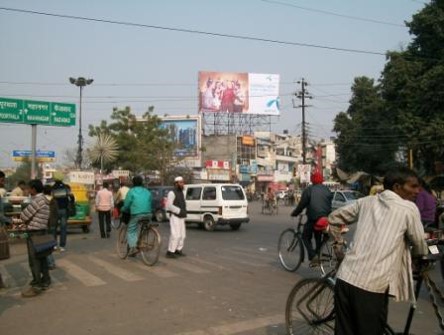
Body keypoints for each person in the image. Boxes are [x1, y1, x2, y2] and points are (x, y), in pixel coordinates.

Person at [328, 166, 428, 335]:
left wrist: (339, 246)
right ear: (397, 187)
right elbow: (419, 243)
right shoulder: (408, 209)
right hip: (371, 286)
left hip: (345, 278)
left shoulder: (366, 201)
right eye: (413, 186)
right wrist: (421, 255)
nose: (417, 191)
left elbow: (333, 218)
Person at [290, 171, 332, 263]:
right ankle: (317, 253)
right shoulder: (327, 190)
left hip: (314, 218)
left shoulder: (309, 190)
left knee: (305, 236)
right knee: (318, 235)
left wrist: (295, 213)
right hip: (326, 218)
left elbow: (302, 205)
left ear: (312, 180)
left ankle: (313, 255)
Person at [19, 179, 50, 297]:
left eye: (29, 188)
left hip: (34, 232)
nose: (27, 190)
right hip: (42, 231)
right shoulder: (44, 199)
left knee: (34, 260)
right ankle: (45, 280)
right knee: (42, 258)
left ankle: (37, 285)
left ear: (33, 189)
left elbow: (24, 216)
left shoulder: (37, 201)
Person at [121, 176, 152, 256]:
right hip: (148, 214)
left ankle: (133, 248)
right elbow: (150, 201)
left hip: (137, 214)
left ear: (133, 183)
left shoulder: (131, 191)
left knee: (131, 229)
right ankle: (142, 240)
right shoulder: (147, 191)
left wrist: (123, 209)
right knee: (145, 226)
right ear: (142, 182)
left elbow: (127, 205)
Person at [165, 176, 187, 258]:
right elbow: (169, 205)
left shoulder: (182, 192)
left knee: (182, 235)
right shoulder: (172, 193)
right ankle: (170, 251)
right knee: (175, 234)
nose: (182, 184)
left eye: (183, 182)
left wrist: (183, 212)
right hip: (175, 216)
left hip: (181, 216)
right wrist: (178, 211)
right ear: (176, 183)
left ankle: (178, 249)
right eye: (180, 182)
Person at [51, 179, 73, 252]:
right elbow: (71, 197)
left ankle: (54, 245)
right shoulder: (66, 187)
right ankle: (62, 246)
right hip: (64, 210)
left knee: (54, 228)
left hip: (54, 210)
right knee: (63, 228)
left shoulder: (52, 188)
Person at [44, 184, 59, 270]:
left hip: (44, 225)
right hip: (53, 224)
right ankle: (51, 262)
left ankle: (50, 263)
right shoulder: (54, 201)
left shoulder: (41, 201)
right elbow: (57, 214)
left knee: (45, 245)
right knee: (50, 244)